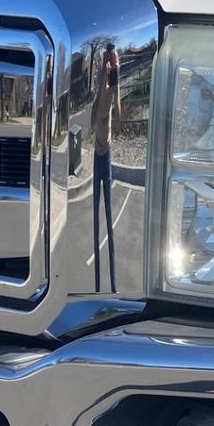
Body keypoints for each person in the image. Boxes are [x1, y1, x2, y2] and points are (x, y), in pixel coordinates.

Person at [91, 43, 119, 292]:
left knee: (108, 219)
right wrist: (103, 76)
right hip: (97, 155)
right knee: (96, 221)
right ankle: (97, 285)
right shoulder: (100, 100)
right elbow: (95, 119)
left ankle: (113, 286)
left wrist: (114, 87)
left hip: (105, 155)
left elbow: (115, 116)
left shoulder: (110, 98)